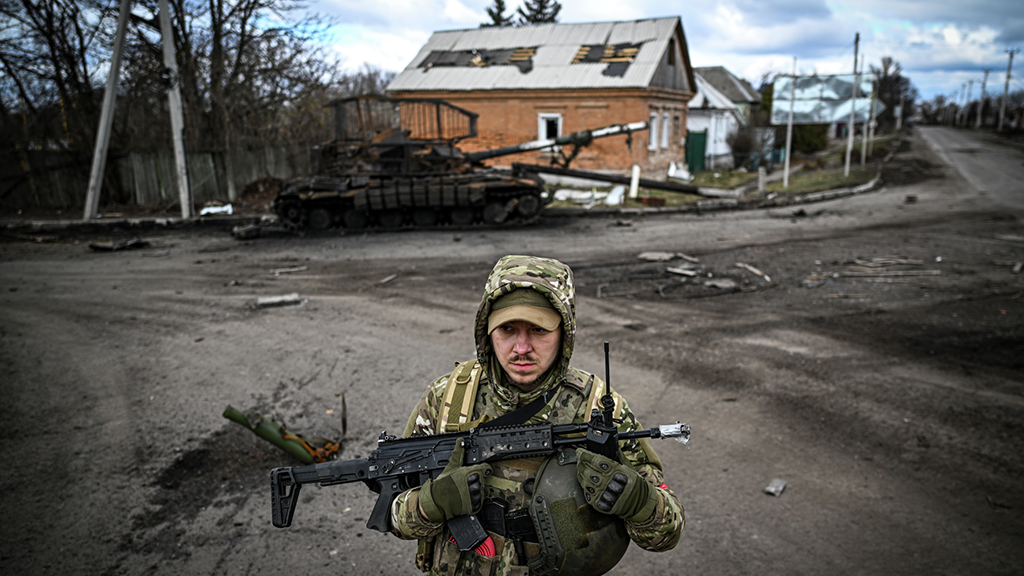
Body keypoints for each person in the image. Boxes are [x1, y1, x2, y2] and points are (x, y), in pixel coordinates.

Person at [390, 255, 684, 575]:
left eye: (538, 330)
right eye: (507, 329)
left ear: (564, 333)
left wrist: (640, 504)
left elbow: (666, 534)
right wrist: (428, 504)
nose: (521, 347)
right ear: (487, 332)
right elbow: (395, 519)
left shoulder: (598, 408)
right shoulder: (446, 399)